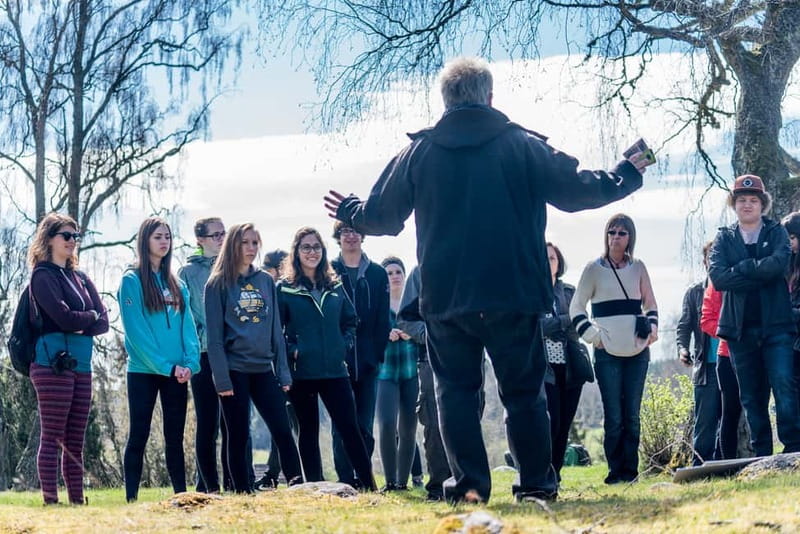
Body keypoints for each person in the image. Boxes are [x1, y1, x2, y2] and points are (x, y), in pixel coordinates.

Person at [324, 56, 648, 503]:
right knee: (524, 395)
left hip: (446, 298)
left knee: (454, 395)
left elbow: (381, 217)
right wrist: (627, 172)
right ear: (490, 97)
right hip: (512, 294)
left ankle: (470, 487)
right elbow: (578, 191)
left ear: (444, 101)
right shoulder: (521, 145)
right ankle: (535, 484)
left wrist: (350, 210)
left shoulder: (419, 152)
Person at [277, 227, 377, 491]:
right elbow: (276, 330)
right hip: (302, 373)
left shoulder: (335, 286)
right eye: (306, 247)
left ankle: (369, 486)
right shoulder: (284, 289)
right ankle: (314, 487)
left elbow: (351, 321)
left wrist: (342, 346)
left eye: (317, 247)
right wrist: (292, 350)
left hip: (335, 371)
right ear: (296, 252)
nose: (312, 252)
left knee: (350, 429)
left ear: (323, 252)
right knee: (308, 433)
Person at [205, 223, 302, 493]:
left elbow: (276, 332)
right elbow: (213, 339)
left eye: (254, 243)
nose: (250, 248)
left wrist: (282, 373)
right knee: (237, 435)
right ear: (233, 245)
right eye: (245, 243)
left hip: (263, 370)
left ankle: (297, 485)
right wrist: (221, 379)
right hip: (234, 370)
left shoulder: (266, 282)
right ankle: (242, 492)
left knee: (282, 429)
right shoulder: (217, 284)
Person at [708, 175, 800, 456]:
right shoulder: (724, 238)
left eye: (753, 200)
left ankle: (794, 448)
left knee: (784, 385)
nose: (747, 205)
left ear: (763, 204)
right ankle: (762, 453)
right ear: (734, 204)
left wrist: (741, 269)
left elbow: (778, 264)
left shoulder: (776, 233)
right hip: (740, 330)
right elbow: (719, 278)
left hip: (777, 328)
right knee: (751, 396)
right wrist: (758, 272)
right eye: (742, 200)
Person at [27, 213, 109, 505]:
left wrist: (81, 321)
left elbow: (104, 323)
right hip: (52, 364)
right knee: (52, 436)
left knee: (76, 438)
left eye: (76, 236)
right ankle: (51, 501)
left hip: (82, 364)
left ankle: (76, 501)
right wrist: (87, 317)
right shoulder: (42, 275)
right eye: (66, 235)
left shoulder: (81, 278)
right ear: (49, 238)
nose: (73, 241)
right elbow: (62, 317)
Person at [571, 214, 658, 484]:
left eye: (622, 232)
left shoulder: (639, 267)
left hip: (637, 351)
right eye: (612, 232)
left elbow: (651, 304)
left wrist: (652, 329)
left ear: (630, 237)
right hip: (606, 352)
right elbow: (576, 307)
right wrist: (593, 336)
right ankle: (614, 471)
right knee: (615, 416)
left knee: (632, 415)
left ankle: (630, 472)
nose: (616, 237)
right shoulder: (593, 269)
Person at [118, 216, 201, 502]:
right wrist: (166, 367)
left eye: (167, 236)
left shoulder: (176, 283)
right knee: (138, 435)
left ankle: (182, 496)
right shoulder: (131, 281)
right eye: (157, 236)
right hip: (144, 371)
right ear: (145, 241)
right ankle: (131, 499)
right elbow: (137, 334)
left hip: (178, 372)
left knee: (174, 438)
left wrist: (191, 363)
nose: (164, 241)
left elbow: (187, 326)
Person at [330, 221, 390, 487]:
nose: (350, 236)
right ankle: (345, 480)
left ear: (363, 236)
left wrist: (376, 355)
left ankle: (363, 477)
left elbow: (382, 319)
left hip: (367, 362)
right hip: (335, 362)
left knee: (364, 425)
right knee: (341, 425)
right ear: (338, 237)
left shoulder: (376, 273)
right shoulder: (328, 271)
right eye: (345, 232)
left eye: (355, 231)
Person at [178, 216, 232, 493]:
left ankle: (236, 482)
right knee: (208, 422)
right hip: (203, 353)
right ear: (200, 239)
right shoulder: (187, 272)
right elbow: (183, 316)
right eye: (215, 235)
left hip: (235, 354)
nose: (221, 239)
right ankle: (207, 486)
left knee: (233, 423)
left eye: (224, 233)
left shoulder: (234, 267)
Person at [397, 265, 452, 501]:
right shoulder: (421, 272)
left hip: (472, 359)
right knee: (433, 422)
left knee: (469, 418)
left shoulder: (475, 261)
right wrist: (437, 336)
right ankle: (439, 486)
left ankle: (470, 484)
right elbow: (406, 320)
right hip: (432, 360)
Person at [540, 243, 593, 480]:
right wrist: (563, 320)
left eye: (552, 258)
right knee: (551, 423)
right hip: (544, 368)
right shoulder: (531, 293)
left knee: (564, 426)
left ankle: (556, 474)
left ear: (558, 263)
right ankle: (544, 472)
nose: (548, 262)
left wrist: (557, 324)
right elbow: (536, 327)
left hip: (571, 366)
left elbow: (579, 323)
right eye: (543, 258)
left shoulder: (570, 292)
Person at [375, 256, 419, 491]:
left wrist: (412, 333)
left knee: (409, 428)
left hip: (412, 372)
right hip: (386, 373)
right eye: (389, 273)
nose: (394, 276)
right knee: (387, 424)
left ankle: (403, 482)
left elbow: (425, 330)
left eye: (398, 272)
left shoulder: (412, 303)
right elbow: (369, 334)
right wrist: (385, 335)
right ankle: (390, 481)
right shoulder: (379, 305)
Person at [677, 242, 721, 465]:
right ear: (705, 262)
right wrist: (682, 349)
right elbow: (684, 326)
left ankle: (727, 465)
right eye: (710, 257)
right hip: (706, 368)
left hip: (734, 364)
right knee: (705, 422)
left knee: (730, 420)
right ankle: (701, 467)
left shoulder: (736, 288)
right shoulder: (695, 293)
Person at [256, 247, 296, 490]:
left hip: (290, 365)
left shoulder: (283, 291)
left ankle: (286, 473)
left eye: (269, 270)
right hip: (270, 366)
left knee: (288, 423)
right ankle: (273, 472)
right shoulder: (263, 291)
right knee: (280, 422)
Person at [700, 279, 743, 459]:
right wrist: (731, 331)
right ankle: (729, 467)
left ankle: (765, 462)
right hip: (727, 355)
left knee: (758, 412)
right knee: (729, 414)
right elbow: (706, 320)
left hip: (758, 354)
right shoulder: (718, 281)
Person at [782, 212, 800, 396]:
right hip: (791, 342)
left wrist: (785, 312)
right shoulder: (790, 265)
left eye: (793, 237)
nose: (790, 242)